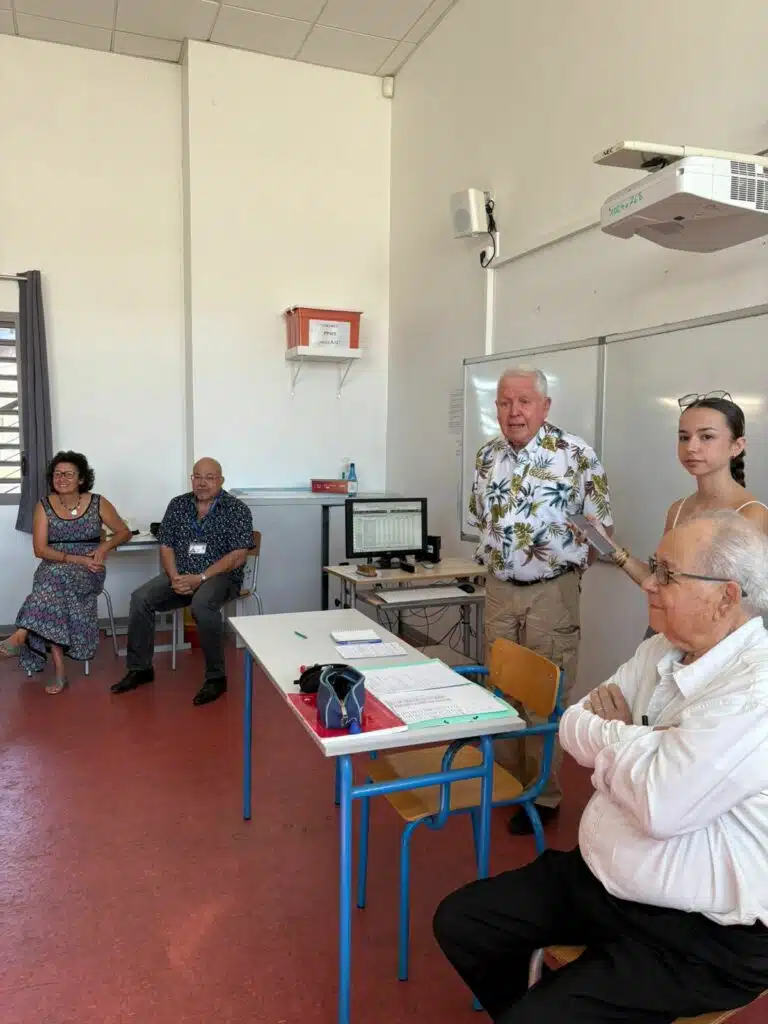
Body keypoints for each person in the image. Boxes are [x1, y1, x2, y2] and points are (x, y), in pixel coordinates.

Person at [433, 510, 768, 1024]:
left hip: (705, 934)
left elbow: (660, 805)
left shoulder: (754, 689)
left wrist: (620, 739)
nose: (648, 583)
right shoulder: (661, 648)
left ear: (726, 597)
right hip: (603, 881)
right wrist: (649, 744)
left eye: (667, 574)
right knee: (461, 922)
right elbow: (573, 723)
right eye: (654, 566)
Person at [470, 366, 613, 834]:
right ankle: (508, 782)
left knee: (545, 696)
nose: (514, 411)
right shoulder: (487, 456)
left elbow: (601, 528)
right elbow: (481, 516)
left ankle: (542, 796)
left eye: (524, 401)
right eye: (505, 402)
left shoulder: (575, 455)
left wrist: (563, 572)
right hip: (498, 589)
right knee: (501, 689)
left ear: (545, 406)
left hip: (552, 592)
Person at [112, 458, 253, 706]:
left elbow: (238, 555)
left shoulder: (237, 510)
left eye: (209, 477)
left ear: (221, 480)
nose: (202, 482)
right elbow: (166, 545)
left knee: (202, 604)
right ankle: (140, 669)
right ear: (192, 479)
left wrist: (201, 578)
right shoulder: (178, 505)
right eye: (197, 477)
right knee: (140, 598)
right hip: (182, 575)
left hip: (220, 577)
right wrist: (175, 577)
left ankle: (216, 677)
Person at [605, 392, 768, 589]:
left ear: (737, 446)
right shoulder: (678, 510)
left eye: (707, 437)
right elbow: (661, 582)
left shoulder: (751, 514)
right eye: (684, 437)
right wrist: (605, 543)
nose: (691, 447)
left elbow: (744, 598)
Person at [0, 451, 131, 693]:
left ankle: (21, 634)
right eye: (57, 474)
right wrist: (75, 559)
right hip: (54, 566)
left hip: (89, 571)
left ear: (81, 478)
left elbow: (124, 532)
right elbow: (40, 550)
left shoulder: (97, 502)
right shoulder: (44, 505)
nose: (62, 478)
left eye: (68, 474)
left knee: (50, 585)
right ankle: (59, 671)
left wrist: (103, 547)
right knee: (54, 585)